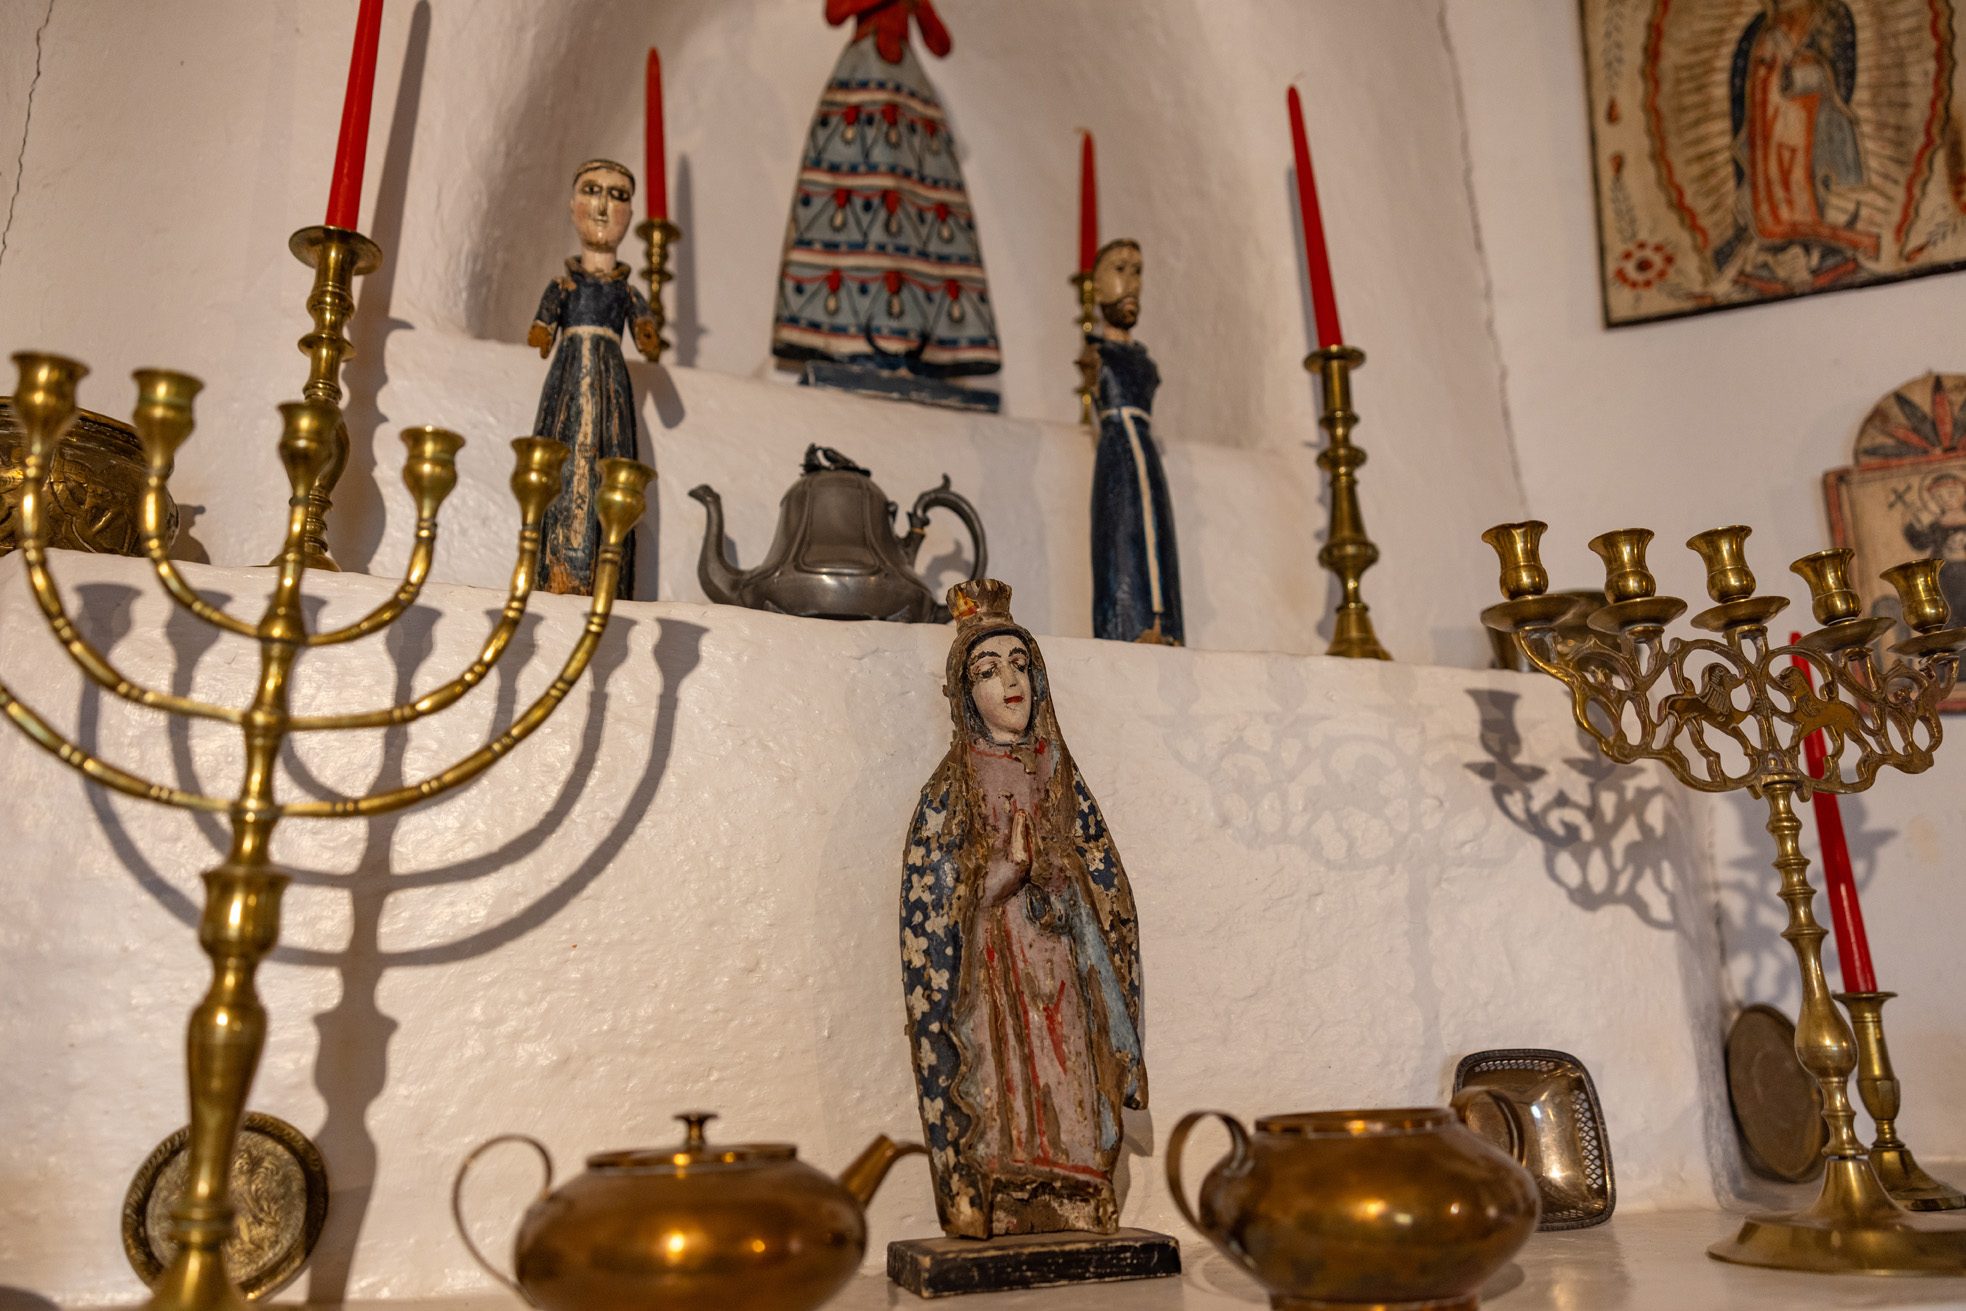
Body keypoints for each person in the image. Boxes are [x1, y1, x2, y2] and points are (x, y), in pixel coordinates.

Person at [901, 579, 1147, 1237]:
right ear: (964, 693)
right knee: (1007, 1081)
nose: (1011, 681)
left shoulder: (1059, 775)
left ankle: (1080, 1189)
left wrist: (1061, 876)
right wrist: (1008, 871)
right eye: (989, 670)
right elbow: (939, 904)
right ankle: (1002, 1192)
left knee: (1070, 1074)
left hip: (1061, 959)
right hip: (995, 970)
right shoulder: (951, 791)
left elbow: (1101, 879)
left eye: (1019, 665)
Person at [771, 0, 1001, 378]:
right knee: (855, 193)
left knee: (913, 205)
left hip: (906, 89)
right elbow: (835, 12)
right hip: (864, 76)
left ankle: (920, 340)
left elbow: (941, 44)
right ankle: (840, 336)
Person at [526, 159, 661, 598]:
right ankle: (554, 569)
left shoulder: (627, 292)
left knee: (609, 463)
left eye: (617, 196)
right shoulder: (563, 285)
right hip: (566, 377)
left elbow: (646, 333)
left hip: (611, 385)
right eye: (592, 191)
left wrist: (646, 331)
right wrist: (543, 329)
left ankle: (608, 578)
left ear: (630, 214)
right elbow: (544, 325)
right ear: (572, 206)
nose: (602, 208)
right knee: (561, 463)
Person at [1088, 239, 1183, 644]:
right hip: (1118, 457)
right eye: (1119, 269)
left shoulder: (1145, 361)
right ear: (1095, 286)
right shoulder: (1097, 354)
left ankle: (1166, 627)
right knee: (1122, 537)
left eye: (1138, 271)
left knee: (1158, 538)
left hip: (1147, 455)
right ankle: (1127, 626)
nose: (1132, 283)